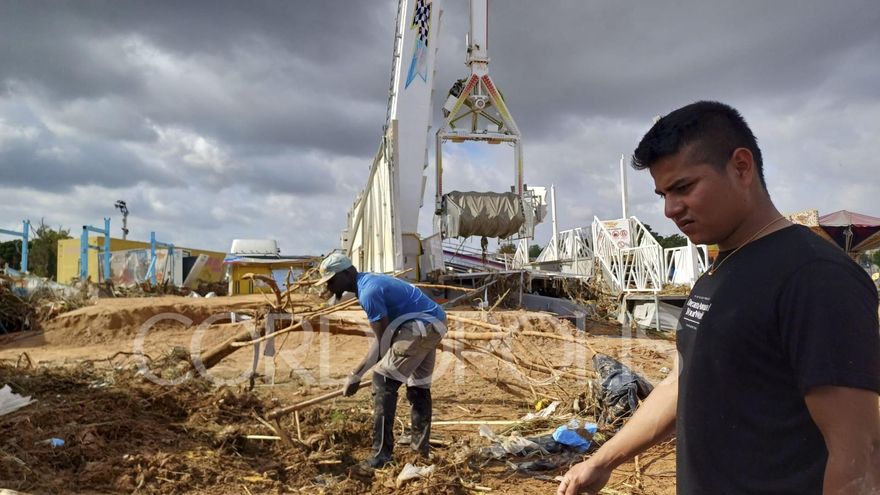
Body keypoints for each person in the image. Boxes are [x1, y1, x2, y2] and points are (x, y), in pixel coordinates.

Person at [558, 101, 880, 494]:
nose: (670, 209)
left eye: (683, 188)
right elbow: (684, 383)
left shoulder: (815, 279)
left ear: (741, 167)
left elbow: (857, 455)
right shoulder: (719, 271)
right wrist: (603, 460)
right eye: (662, 194)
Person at [317, 253, 446, 468]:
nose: (329, 286)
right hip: (434, 323)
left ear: (348, 272)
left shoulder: (369, 292)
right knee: (418, 387)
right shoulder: (370, 282)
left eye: (332, 280)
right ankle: (419, 453)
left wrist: (355, 375)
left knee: (383, 381)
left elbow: (382, 342)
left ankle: (381, 456)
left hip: (420, 327)